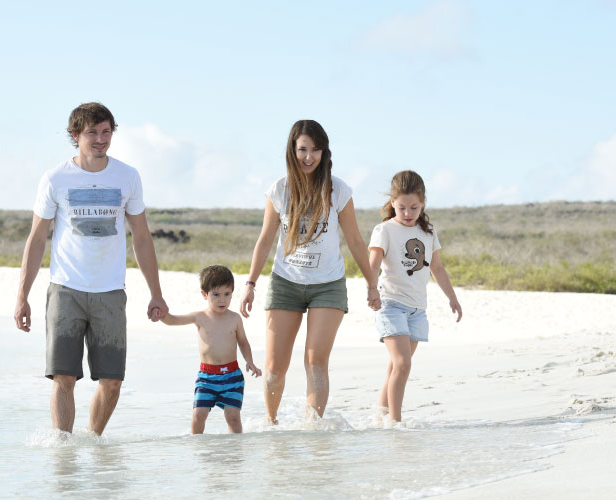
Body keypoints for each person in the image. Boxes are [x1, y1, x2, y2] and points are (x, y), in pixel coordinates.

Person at [14, 102, 169, 436]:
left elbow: (141, 237)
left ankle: (93, 442)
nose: (100, 139)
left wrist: (157, 293)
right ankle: (63, 453)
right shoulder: (55, 178)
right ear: (75, 135)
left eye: (106, 132)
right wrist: (22, 296)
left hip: (110, 291)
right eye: (92, 133)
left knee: (112, 382)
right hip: (65, 289)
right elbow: (37, 238)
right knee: (63, 378)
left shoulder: (127, 176)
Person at [239, 119, 381, 424]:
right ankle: (271, 426)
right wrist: (250, 282)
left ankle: (313, 430)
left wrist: (372, 283)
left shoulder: (338, 190)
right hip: (285, 282)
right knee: (275, 366)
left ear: (324, 152)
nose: (309, 157)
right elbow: (265, 239)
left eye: (315, 150)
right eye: (303, 149)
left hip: (327, 285)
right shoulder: (280, 189)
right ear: (292, 149)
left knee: (316, 362)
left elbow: (355, 240)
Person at [368, 170, 463, 424]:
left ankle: (381, 417)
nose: (408, 213)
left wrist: (452, 298)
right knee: (403, 364)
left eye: (414, 207)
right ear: (392, 204)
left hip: (417, 310)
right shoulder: (385, 230)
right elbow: (373, 263)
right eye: (401, 208)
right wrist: (371, 288)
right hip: (390, 304)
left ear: (423, 204)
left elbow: (437, 268)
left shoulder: (428, 233)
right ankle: (396, 424)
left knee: (395, 367)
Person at [161, 265, 263, 434]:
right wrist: (162, 315)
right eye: (216, 295)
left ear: (232, 292)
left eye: (227, 294)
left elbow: (243, 342)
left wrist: (250, 362)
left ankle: (235, 450)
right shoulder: (199, 317)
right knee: (198, 416)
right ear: (204, 294)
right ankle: (198, 448)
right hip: (207, 378)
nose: (222, 300)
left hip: (232, 377)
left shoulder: (235, 319)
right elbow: (173, 320)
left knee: (233, 418)